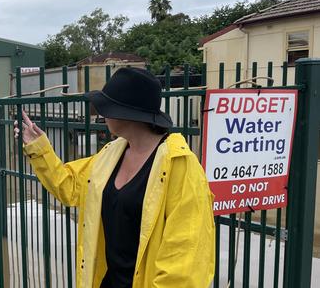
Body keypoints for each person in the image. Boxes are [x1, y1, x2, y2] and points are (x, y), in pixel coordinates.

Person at [14, 67, 215, 288]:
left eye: (106, 108)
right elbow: (69, 186)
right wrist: (39, 149)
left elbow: (183, 264)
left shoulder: (181, 167)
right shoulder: (111, 153)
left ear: (128, 114)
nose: (101, 115)